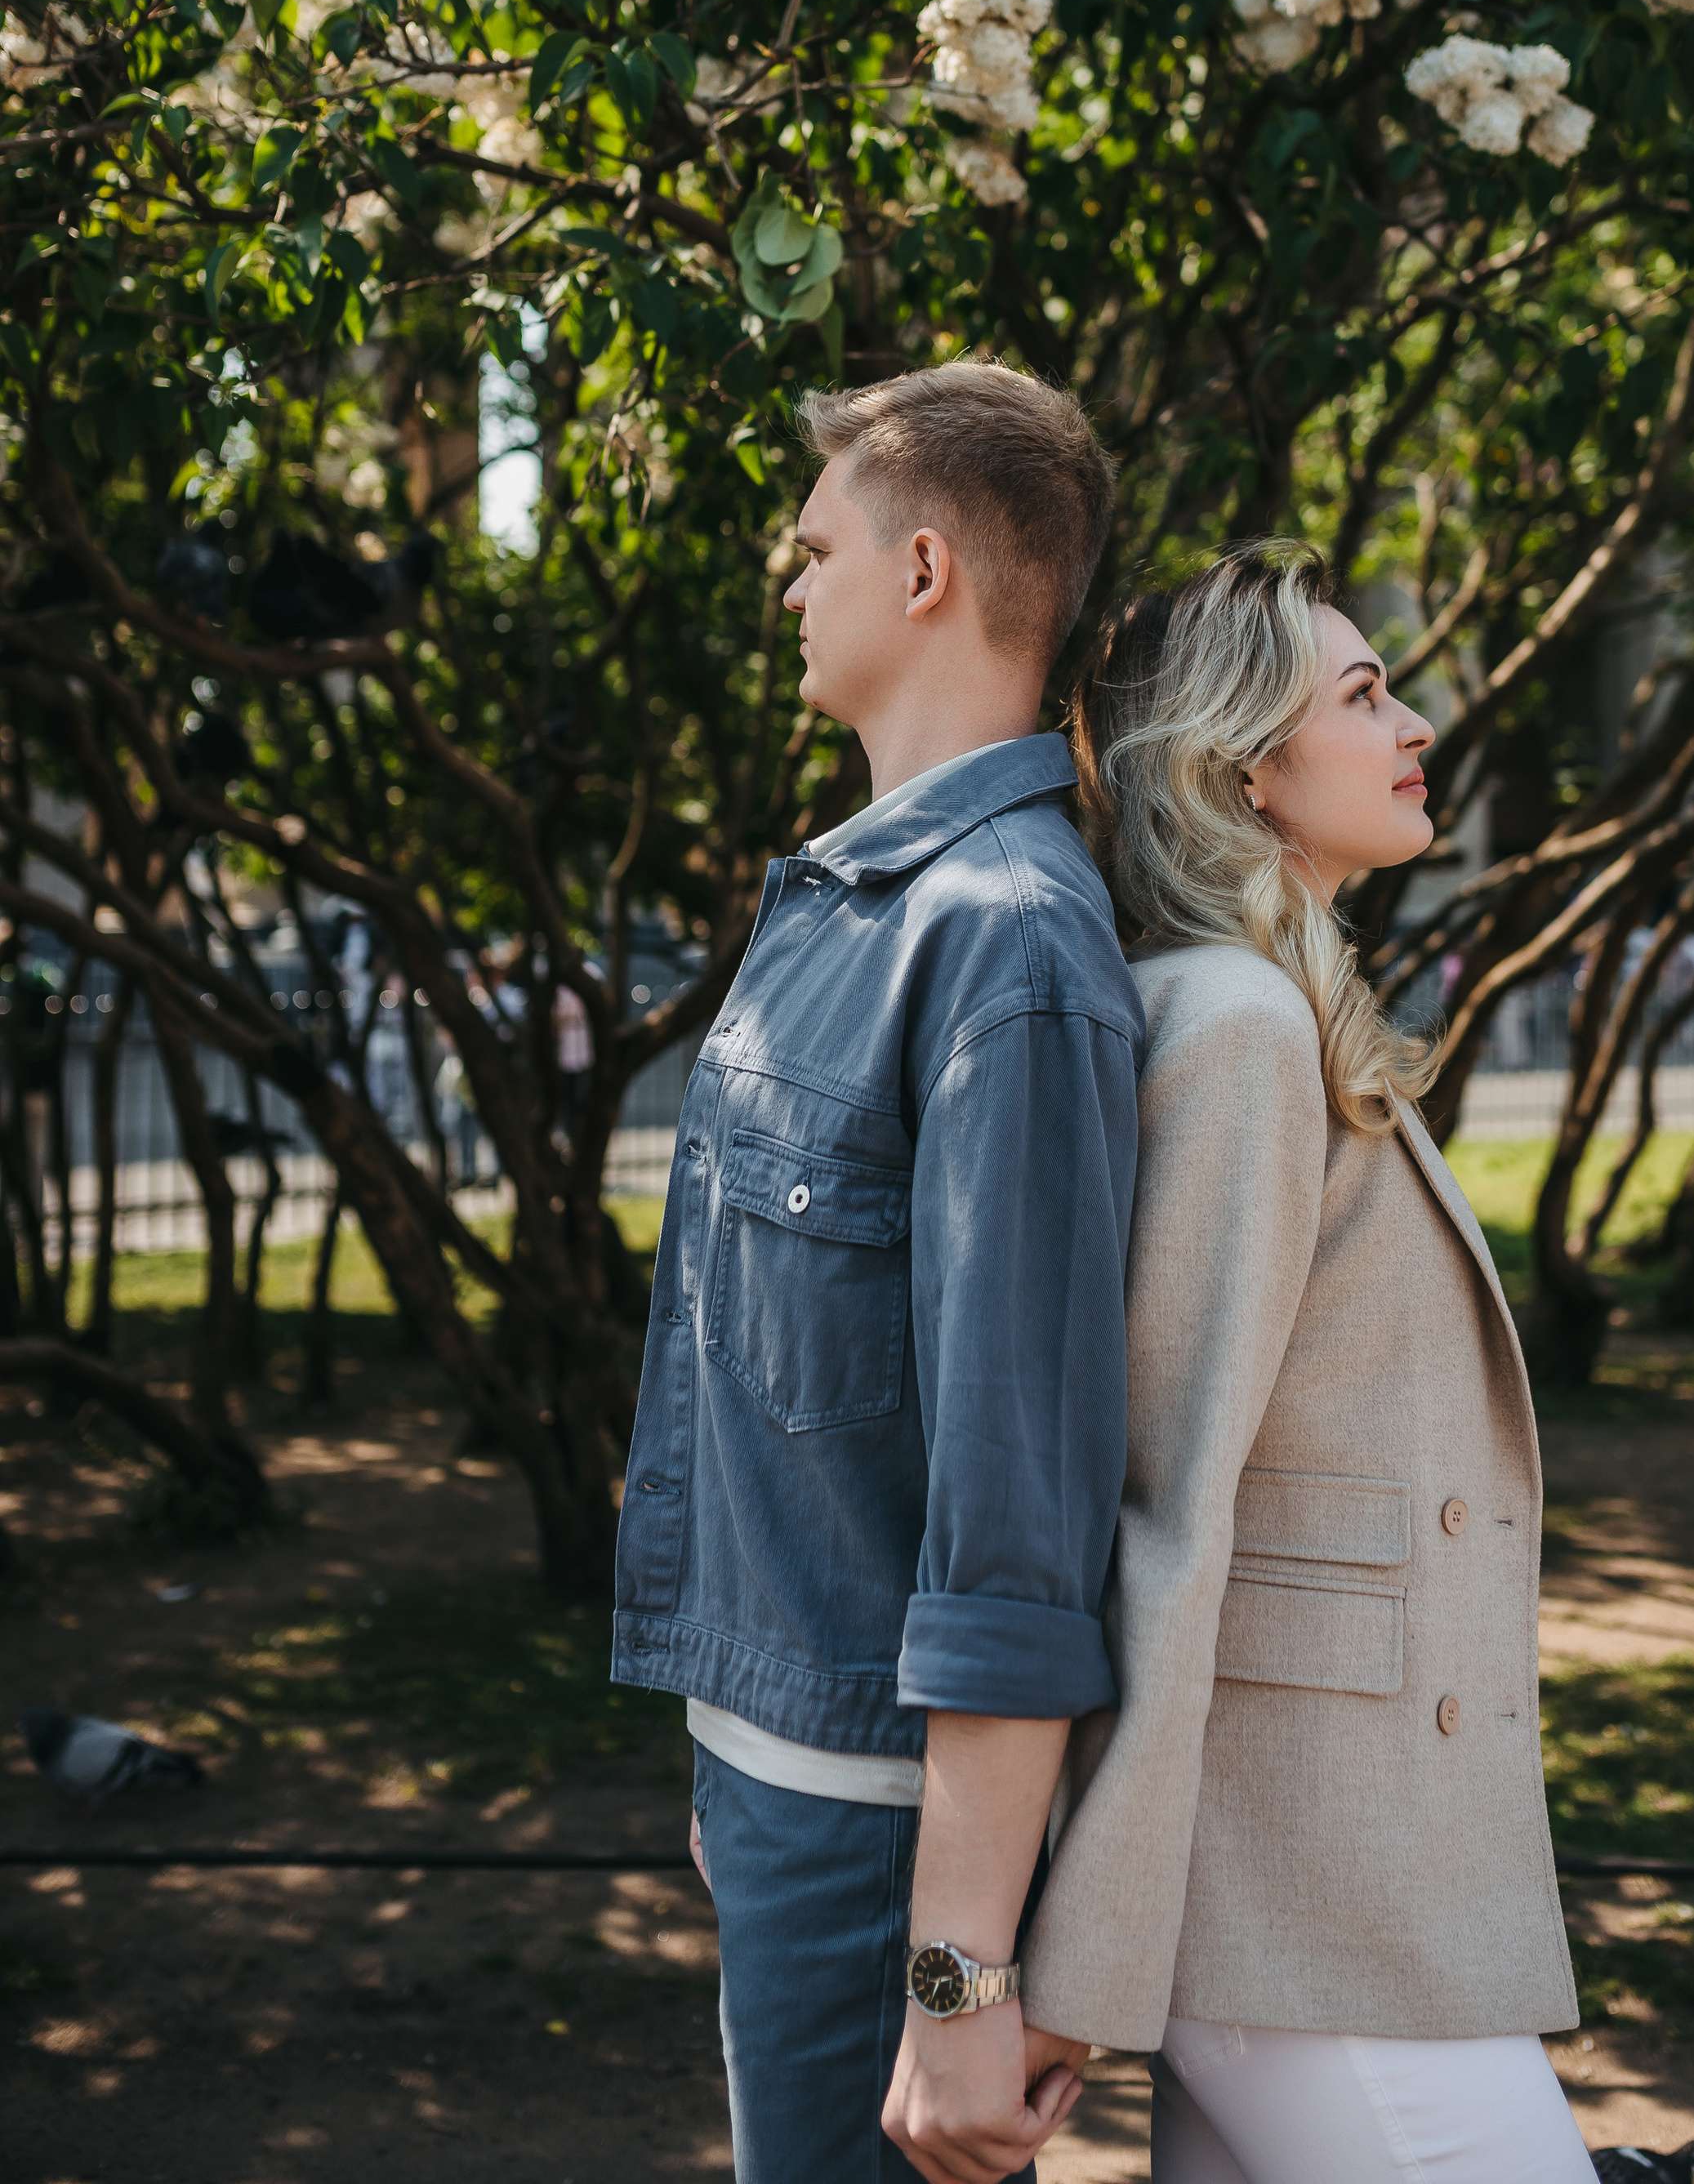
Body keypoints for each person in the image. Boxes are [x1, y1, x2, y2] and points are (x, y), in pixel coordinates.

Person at [612, 360, 1143, 2184]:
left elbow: (1017, 1522)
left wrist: (953, 1970)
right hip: (776, 1774)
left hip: (874, 1833)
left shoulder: (1003, 949)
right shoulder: (857, 906)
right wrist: (723, 1746)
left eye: (813, 539)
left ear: (923, 571)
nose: (787, 576)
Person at [1019, 546, 1592, 2184]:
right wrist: (1086, 1953)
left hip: (1339, 1871)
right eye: (1358, 696)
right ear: (1241, 767)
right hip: (1296, 1889)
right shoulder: (1240, 1034)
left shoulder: (1282, 1009)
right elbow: (1159, 1514)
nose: (1411, 723)